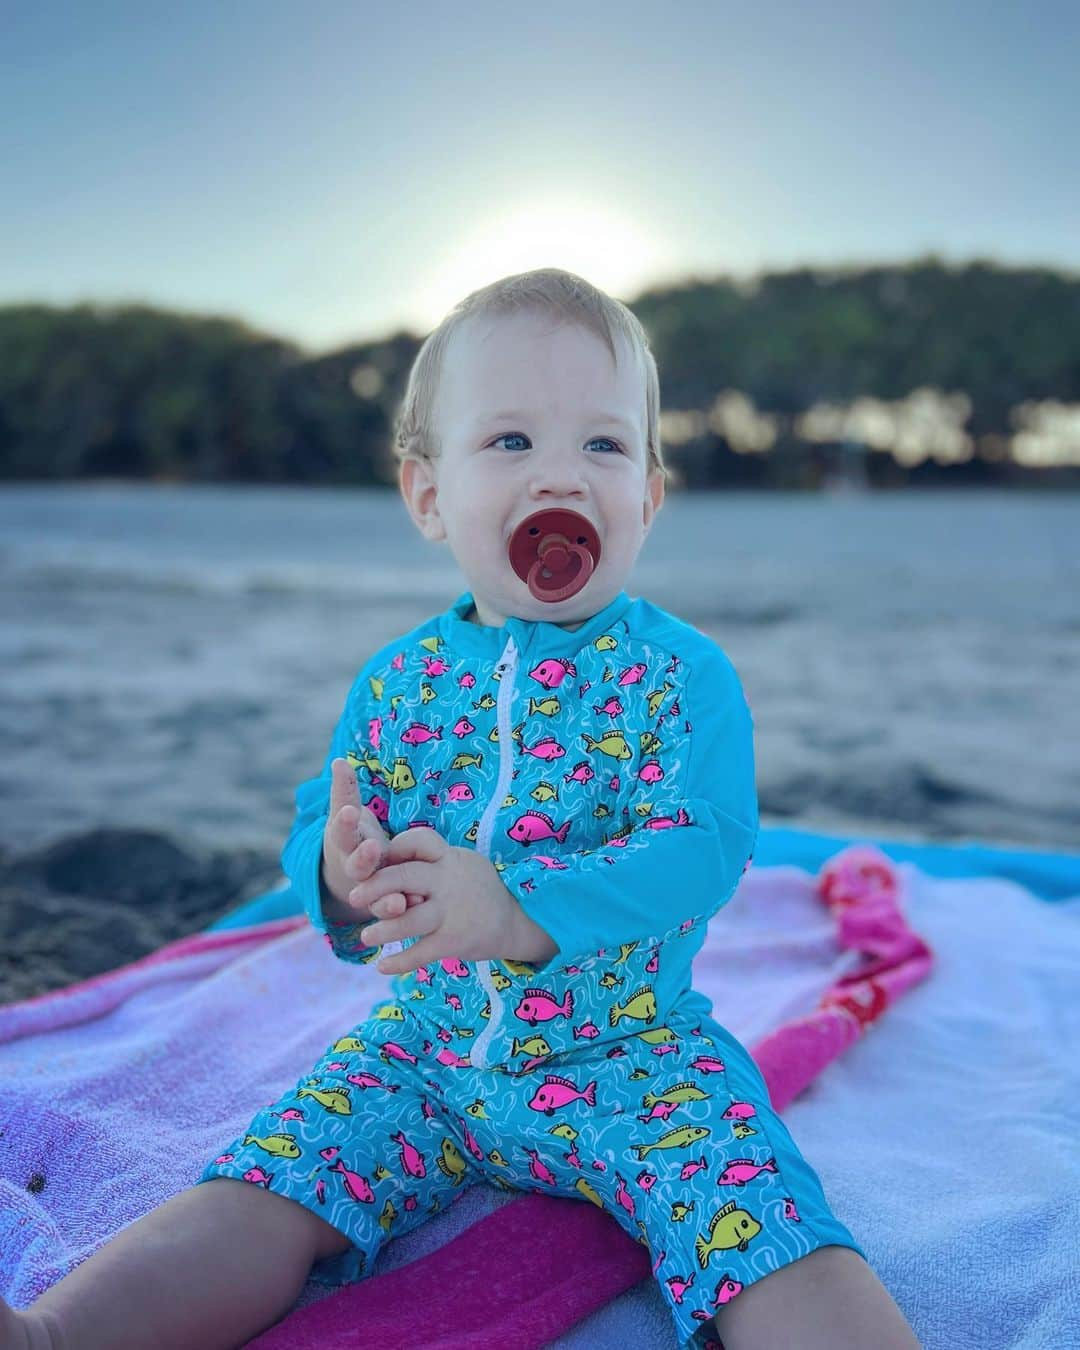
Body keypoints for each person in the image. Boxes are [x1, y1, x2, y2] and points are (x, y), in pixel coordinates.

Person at [2, 269, 920, 1350]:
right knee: (268, 1180)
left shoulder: (682, 676)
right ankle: (60, 1335)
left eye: (605, 446)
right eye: (512, 443)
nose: (562, 473)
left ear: (648, 501)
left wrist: (518, 908)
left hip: (632, 1054)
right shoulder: (397, 682)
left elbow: (705, 845)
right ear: (430, 497)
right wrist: (338, 874)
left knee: (763, 1225)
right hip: (427, 1052)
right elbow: (325, 819)